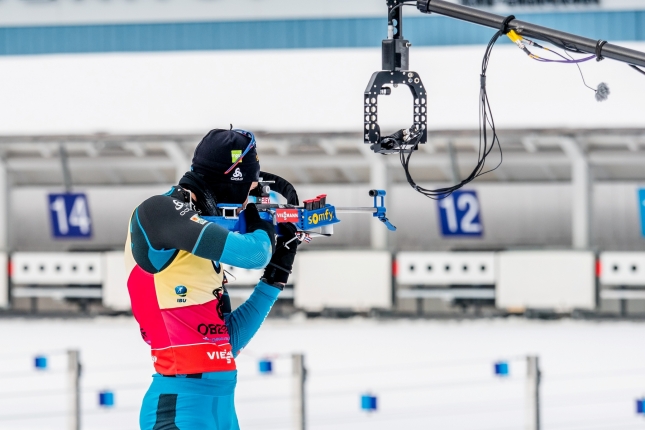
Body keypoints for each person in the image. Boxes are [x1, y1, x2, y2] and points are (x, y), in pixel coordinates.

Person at [124, 128, 300, 430]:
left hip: (221, 406)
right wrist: (263, 225)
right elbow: (254, 255)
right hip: (180, 406)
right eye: (249, 187)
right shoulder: (157, 211)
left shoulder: (201, 249)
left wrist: (277, 275)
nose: (249, 198)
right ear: (230, 182)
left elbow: (224, 345)